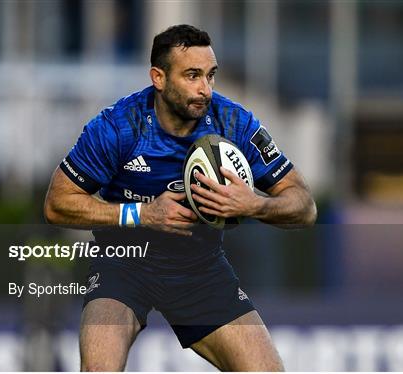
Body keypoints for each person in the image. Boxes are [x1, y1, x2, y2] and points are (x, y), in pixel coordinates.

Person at [44, 24, 316, 372]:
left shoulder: (233, 123)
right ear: (158, 77)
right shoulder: (117, 127)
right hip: (123, 266)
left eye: (210, 75)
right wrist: (142, 214)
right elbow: (57, 203)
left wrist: (254, 204)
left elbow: (304, 206)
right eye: (192, 75)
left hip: (200, 271)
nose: (205, 89)